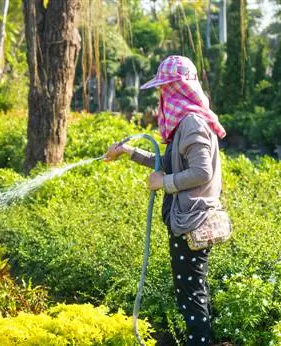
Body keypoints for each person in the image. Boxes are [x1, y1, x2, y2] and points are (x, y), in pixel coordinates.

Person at [104, 55, 226, 346]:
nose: (162, 95)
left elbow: (200, 172)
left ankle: (200, 342)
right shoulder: (185, 123)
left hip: (192, 221)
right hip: (186, 219)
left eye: (165, 88)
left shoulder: (193, 123)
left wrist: (165, 183)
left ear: (179, 88)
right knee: (192, 291)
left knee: (191, 295)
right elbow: (170, 163)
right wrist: (129, 152)